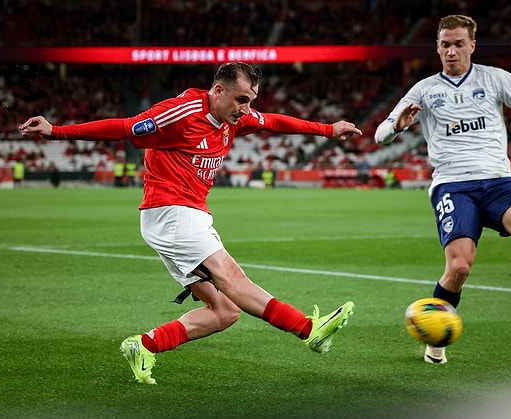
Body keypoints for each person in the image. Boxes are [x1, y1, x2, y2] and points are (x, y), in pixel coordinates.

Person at [20, 62, 360, 384]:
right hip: (172, 212)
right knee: (233, 280)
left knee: (224, 311)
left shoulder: (234, 118)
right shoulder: (179, 113)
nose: (245, 108)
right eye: (241, 99)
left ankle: (145, 346)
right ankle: (307, 330)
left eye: (250, 101)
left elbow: (271, 121)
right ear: (218, 90)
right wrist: (55, 132)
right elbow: (124, 128)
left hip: (182, 215)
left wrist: (328, 130)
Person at [375, 15, 511, 364]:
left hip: (498, 180)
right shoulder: (425, 90)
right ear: (437, 47)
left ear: (472, 45)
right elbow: (380, 134)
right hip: (453, 185)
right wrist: (397, 126)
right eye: (445, 44)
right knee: (459, 267)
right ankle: (436, 335)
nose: (451, 51)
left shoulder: (495, 79)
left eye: (459, 43)